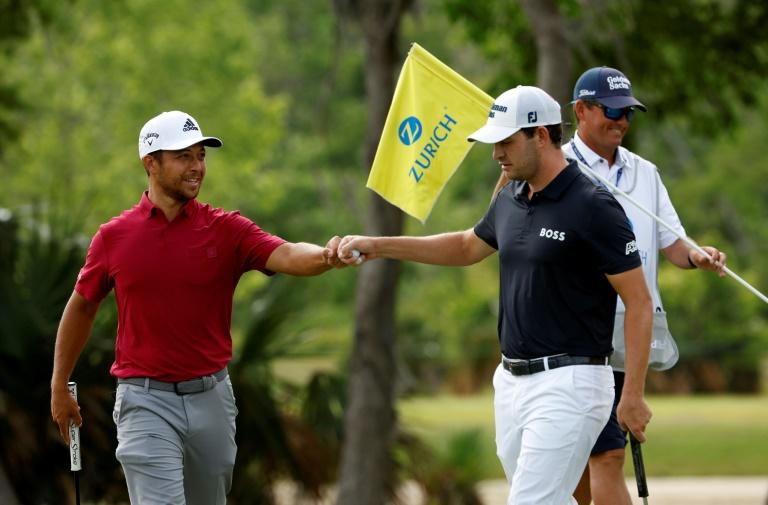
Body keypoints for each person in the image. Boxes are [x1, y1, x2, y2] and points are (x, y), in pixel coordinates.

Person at [338, 85, 654, 505]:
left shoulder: (593, 205)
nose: (496, 154)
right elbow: (467, 246)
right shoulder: (512, 196)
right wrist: (379, 245)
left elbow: (639, 302)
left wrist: (631, 394)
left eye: (505, 142)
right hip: (510, 383)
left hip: (571, 384)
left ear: (540, 135)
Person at [50, 110, 347, 505]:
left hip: (212, 399)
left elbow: (288, 253)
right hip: (145, 400)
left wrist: (327, 256)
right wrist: (59, 382)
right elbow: (82, 307)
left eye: (201, 156)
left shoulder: (227, 229)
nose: (197, 167)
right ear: (150, 163)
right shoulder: (114, 237)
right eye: (184, 157)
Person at [560, 67, 727, 505]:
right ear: (581, 110)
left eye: (628, 114)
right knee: (582, 461)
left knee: (606, 455)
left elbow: (673, 244)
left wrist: (698, 255)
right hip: (574, 332)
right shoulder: (556, 167)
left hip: (628, 333)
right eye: (611, 111)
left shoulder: (644, 173)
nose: (621, 122)